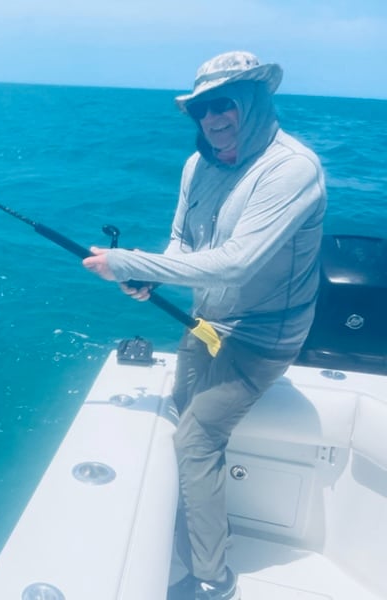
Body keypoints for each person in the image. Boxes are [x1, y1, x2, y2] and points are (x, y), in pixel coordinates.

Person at [83, 51, 326, 600]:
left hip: (264, 334)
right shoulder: (199, 165)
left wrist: (130, 263)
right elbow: (184, 243)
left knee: (195, 441)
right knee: (178, 411)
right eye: (201, 109)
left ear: (256, 102)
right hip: (209, 319)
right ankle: (188, 524)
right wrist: (156, 278)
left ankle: (214, 578)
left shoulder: (292, 168)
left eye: (224, 105)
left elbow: (239, 262)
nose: (212, 119)